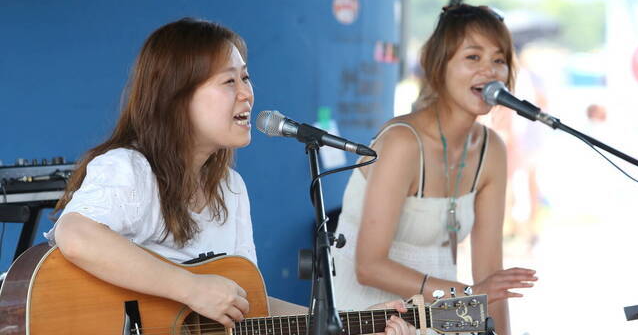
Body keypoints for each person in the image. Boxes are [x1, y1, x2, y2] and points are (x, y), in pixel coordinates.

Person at [47, 17, 414, 335]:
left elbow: (248, 305)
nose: (247, 95)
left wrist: (347, 323)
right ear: (177, 97)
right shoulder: (130, 168)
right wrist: (190, 288)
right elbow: (75, 233)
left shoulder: (230, 189)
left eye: (246, 78)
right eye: (229, 82)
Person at [332, 4, 537, 335]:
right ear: (438, 66)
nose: (490, 71)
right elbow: (368, 266)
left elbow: (490, 275)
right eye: (473, 57)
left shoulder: (491, 150)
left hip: (437, 316)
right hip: (365, 316)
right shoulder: (403, 143)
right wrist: (464, 295)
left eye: (499, 60)